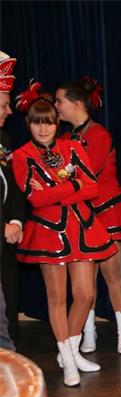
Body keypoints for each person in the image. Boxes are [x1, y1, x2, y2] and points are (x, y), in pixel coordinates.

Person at [12, 81, 117, 385]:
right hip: (48, 232)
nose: (43, 128)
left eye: (48, 122)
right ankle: (68, 359)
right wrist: (73, 186)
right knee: (57, 297)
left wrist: (58, 190)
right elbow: (35, 199)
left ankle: (71, 349)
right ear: (29, 124)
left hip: (82, 228)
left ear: (56, 123)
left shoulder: (73, 147)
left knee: (85, 294)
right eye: (37, 123)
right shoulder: (21, 155)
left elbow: (92, 188)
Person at [56, 76, 121, 354]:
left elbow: (87, 171)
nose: (56, 106)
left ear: (76, 103)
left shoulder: (99, 134)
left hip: (107, 210)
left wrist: (61, 177)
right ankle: (89, 333)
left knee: (113, 273)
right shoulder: (64, 139)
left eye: (59, 101)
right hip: (81, 215)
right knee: (85, 281)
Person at [0, 50, 22, 351]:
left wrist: (15, 220)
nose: (9, 110)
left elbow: (12, 186)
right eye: (4, 104)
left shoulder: (3, 139)